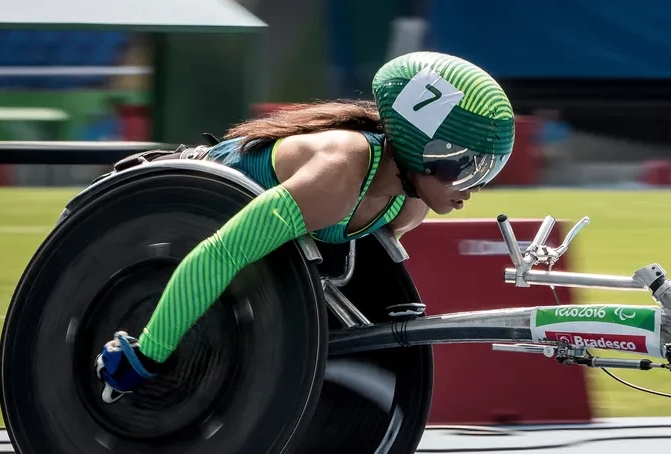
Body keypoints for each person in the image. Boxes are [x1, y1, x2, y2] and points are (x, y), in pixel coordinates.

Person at [95, 51, 515, 403]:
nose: (472, 188)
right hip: (177, 199)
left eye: (485, 170)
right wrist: (147, 354)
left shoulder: (409, 206)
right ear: (418, 148)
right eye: (465, 167)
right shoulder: (337, 175)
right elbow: (220, 253)